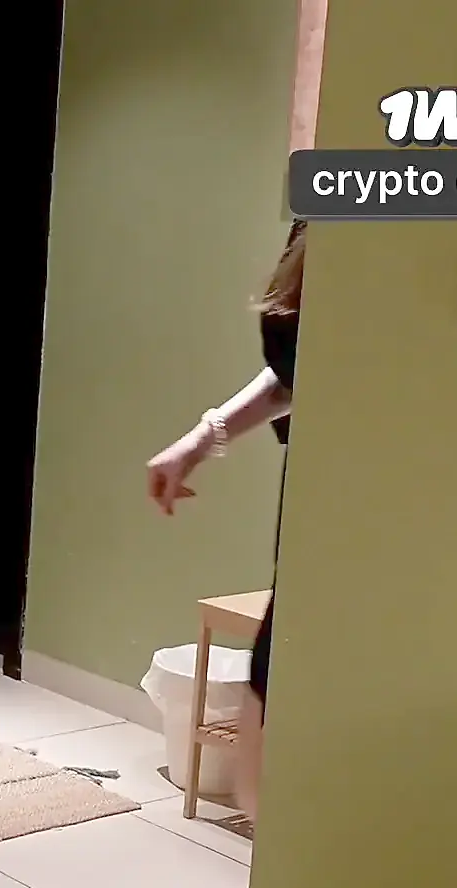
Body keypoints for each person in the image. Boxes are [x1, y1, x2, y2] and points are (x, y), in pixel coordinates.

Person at [144, 219, 304, 820]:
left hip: (368, 508)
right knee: (265, 753)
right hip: (310, 498)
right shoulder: (319, 219)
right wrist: (200, 440)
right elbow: (295, 373)